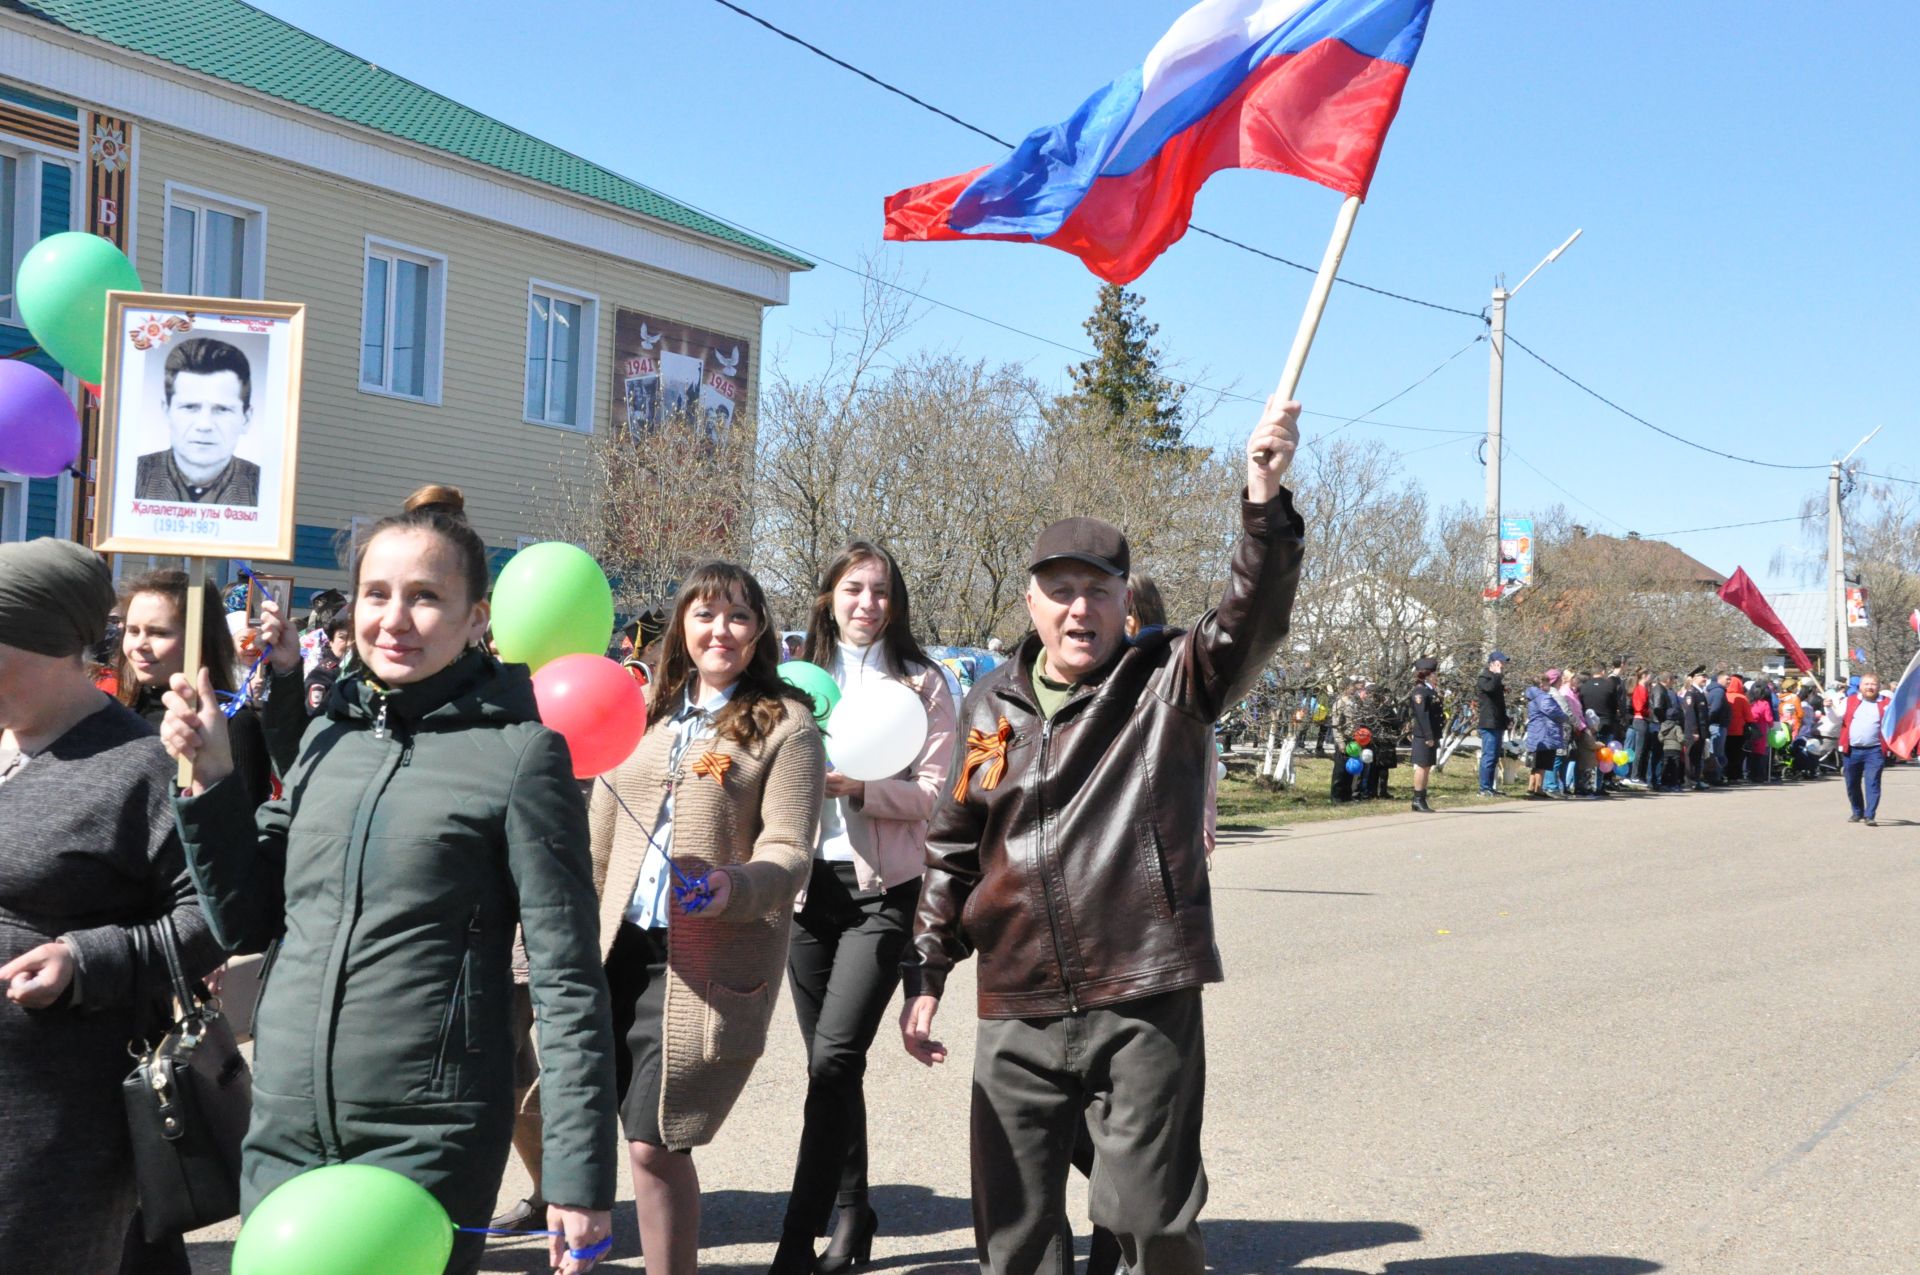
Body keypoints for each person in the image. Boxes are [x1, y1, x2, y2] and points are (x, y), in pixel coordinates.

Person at [162, 486, 619, 1275]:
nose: (394, 619)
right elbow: (246, 918)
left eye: (426, 597)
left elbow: (568, 978)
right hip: (284, 1123)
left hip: (427, 1137)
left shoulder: (522, 755)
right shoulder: (325, 740)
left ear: (479, 618)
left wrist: (577, 1177)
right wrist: (209, 783)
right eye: (376, 594)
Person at [900, 394, 1305, 1274]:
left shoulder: (1171, 678)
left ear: (1127, 598)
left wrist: (1264, 502)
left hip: (1141, 989)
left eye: (1097, 589)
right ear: (1031, 600)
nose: (1078, 609)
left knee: (1147, 1218)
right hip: (1017, 1000)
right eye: (1060, 591)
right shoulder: (989, 704)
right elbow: (953, 846)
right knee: (1013, 1236)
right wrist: (926, 969)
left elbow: (1252, 616)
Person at [590, 561, 825, 1275]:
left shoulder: (787, 726)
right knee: (596, 1126)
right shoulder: (644, 713)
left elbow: (789, 850)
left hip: (698, 960)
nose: (720, 629)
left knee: (658, 1139)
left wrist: (735, 884)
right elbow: (598, 836)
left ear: (758, 633)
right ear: (682, 626)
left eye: (738, 616)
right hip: (614, 947)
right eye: (705, 613)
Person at [0, 539, 225, 1273]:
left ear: (57, 645)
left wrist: (83, 958)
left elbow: (210, 920)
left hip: (54, 1130)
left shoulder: (141, 763)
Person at [770, 544, 955, 1274]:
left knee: (836, 1055)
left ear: (896, 602)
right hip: (805, 893)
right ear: (828, 597)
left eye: (881, 591)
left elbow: (935, 794)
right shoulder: (790, 676)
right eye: (853, 588)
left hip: (882, 894)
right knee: (831, 1068)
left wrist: (857, 787)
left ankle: (797, 1233)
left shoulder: (922, 681)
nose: (867, 602)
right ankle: (853, 1211)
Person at [133, 336, 262, 506]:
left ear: (246, 418)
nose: (204, 425)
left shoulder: (267, 488)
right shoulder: (130, 475)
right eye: (189, 407)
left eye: (222, 409)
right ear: (166, 411)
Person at [1839, 673, 1887, 825]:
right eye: (1866, 684)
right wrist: (1829, 709)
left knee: (1872, 782)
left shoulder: (1887, 703)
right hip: (1851, 750)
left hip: (1875, 750)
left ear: (1878, 687)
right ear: (1860, 686)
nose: (1870, 687)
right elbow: (1836, 719)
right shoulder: (1849, 701)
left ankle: (1870, 815)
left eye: (1873, 684)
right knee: (1852, 783)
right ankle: (1857, 811)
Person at [1523, 670, 1569, 799]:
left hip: (1536, 733)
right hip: (1546, 733)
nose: (1550, 687)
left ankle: (1531, 788)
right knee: (1542, 764)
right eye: (1548, 684)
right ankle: (1538, 789)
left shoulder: (1533, 696)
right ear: (1542, 685)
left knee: (1535, 764)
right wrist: (1565, 717)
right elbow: (1552, 711)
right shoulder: (1543, 697)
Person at [1407, 657, 1444, 812]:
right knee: (1422, 767)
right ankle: (1417, 799)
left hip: (1431, 734)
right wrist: (1429, 736)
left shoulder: (1429, 690)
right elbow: (1422, 716)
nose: (1437, 676)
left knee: (1427, 767)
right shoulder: (1420, 691)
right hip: (1424, 735)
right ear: (1428, 674)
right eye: (1435, 673)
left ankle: (1422, 798)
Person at [302, 613, 353, 715]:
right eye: (342, 637)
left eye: (354, 638)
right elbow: (315, 713)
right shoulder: (324, 672)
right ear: (330, 641)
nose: (349, 643)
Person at [1476, 651, 1510, 797]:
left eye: (1503, 663)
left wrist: (1506, 719)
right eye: (1499, 662)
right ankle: (1484, 788)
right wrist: (1496, 674)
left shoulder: (1496, 679)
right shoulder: (1484, 677)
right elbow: (1488, 689)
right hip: (1489, 723)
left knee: (1495, 757)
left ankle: (1490, 787)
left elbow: (1498, 703)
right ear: (1492, 663)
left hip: (1498, 723)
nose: (1502, 666)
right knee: (1488, 756)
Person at [1327, 679, 1366, 803]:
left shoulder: (1354, 702)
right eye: (1351, 686)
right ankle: (1336, 796)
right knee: (1340, 769)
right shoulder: (1339, 703)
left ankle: (1347, 795)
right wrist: (1340, 743)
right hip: (1344, 739)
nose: (1353, 688)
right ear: (1344, 688)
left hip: (1354, 740)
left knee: (1351, 768)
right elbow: (1336, 725)